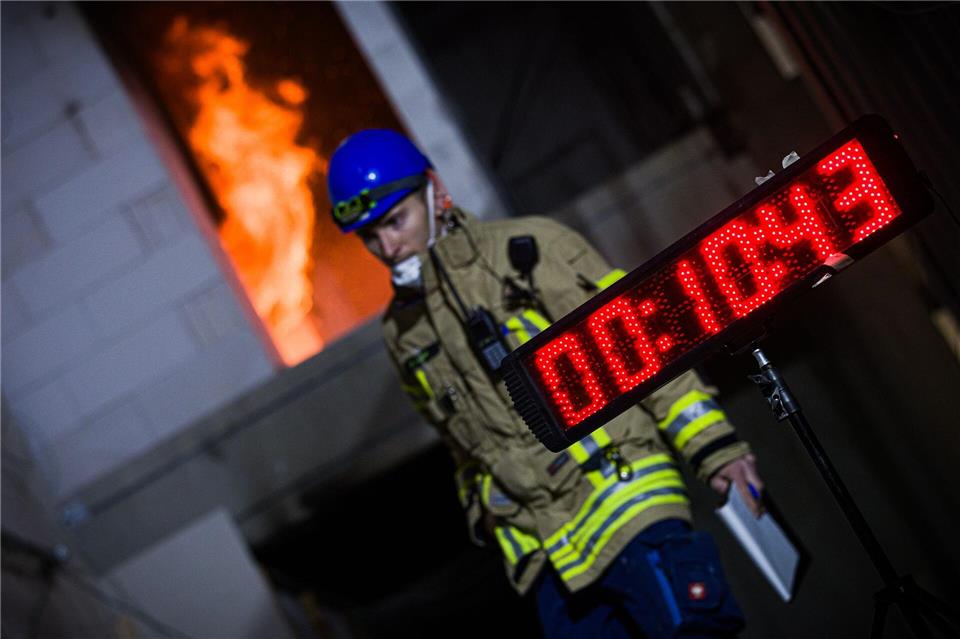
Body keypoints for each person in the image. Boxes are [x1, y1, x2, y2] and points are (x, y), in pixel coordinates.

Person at [327, 129, 765, 638]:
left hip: (628, 504)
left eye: (394, 221)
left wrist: (713, 448)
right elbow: (460, 447)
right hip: (547, 561)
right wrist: (486, 517)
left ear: (434, 189)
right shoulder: (401, 333)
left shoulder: (529, 250)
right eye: (369, 236)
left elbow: (644, 346)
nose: (387, 247)